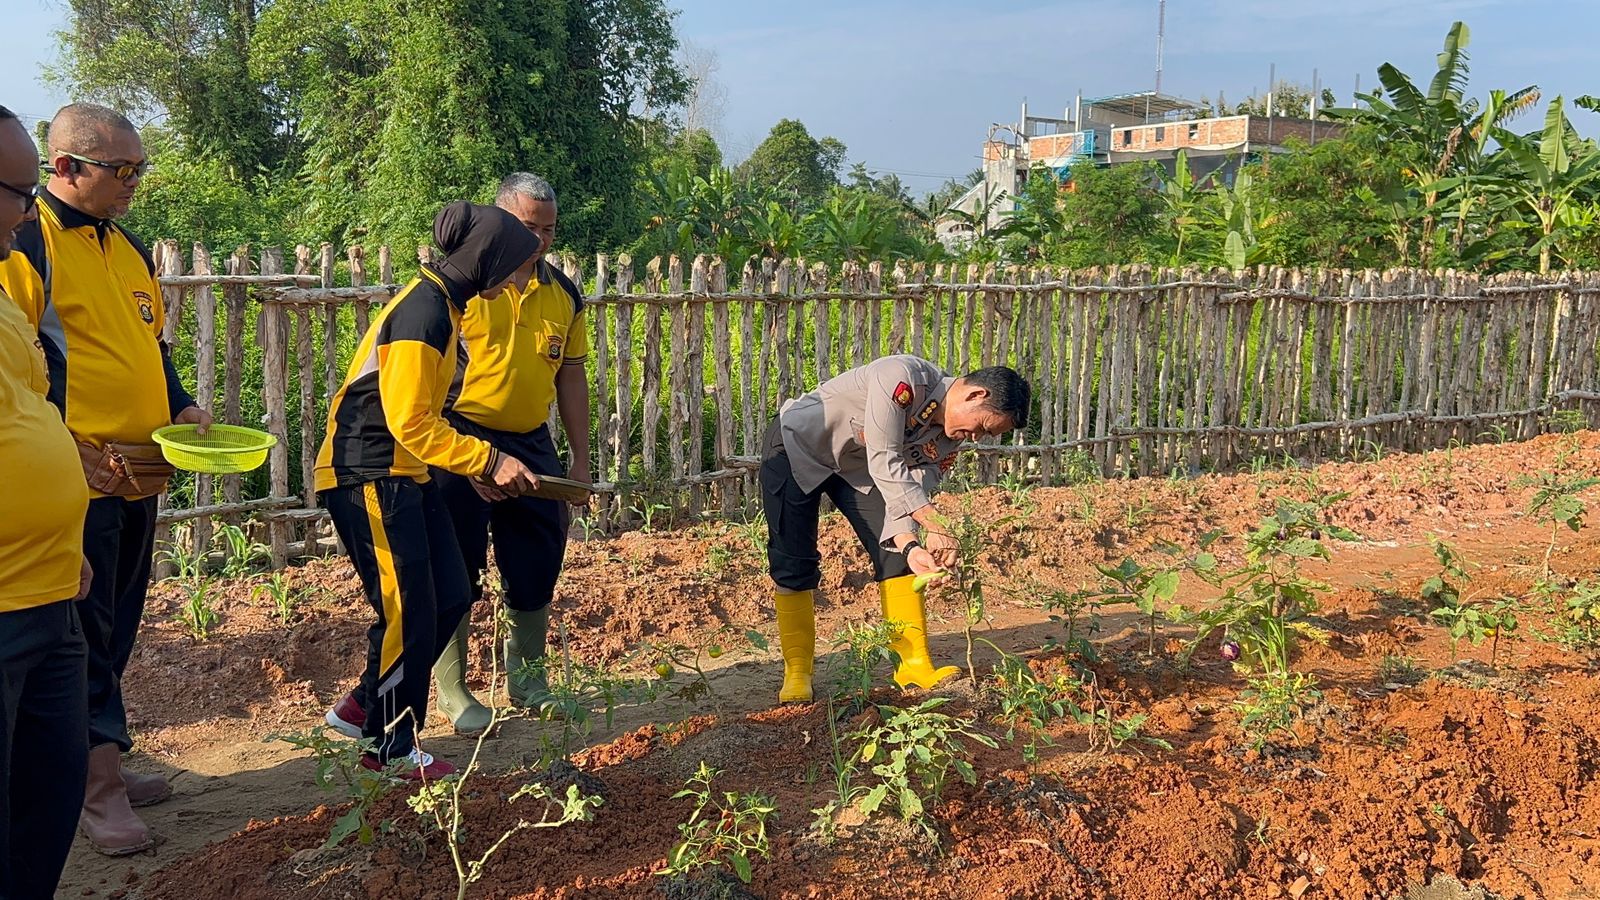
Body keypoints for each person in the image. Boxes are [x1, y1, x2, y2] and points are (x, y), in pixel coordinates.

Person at [0, 102, 209, 856]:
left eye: (137, 170)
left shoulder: (126, 245)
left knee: (116, 625)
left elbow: (149, 342)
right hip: (81, 476)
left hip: (139, 469)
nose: (132, 184)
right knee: (79, 635)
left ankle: (103, 760)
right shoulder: (28, 244)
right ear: (63, 168)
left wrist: (180, 402)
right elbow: (23, 370)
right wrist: (67, 445)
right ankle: (96, 792)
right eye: (121, 170)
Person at [315, 201, 541, 778]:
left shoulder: (443, 304)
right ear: (488, 261)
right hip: (367, 472)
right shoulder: (424, 312)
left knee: (451, 593)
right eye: (516, 267)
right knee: (407, 608)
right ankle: (389, 746)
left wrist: (471, 463)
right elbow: (409, 420)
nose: (520, 279)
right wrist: (487, 458)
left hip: (405, 473)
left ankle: (365, 704)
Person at [424, 173, 591, 734]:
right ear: (498, 223)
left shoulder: (564, 294)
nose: (540, 240)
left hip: (530, 440)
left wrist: (580, 458)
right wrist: (469, 459)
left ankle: (528, 680)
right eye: (527, 227)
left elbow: (571, 376)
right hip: (461, 434)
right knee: (456, 562)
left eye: (548, 229)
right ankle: (453, 690)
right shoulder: (466, 287)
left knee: (539, 554)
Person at [761, 356, 1030, 703]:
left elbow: (911, 495)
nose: (977, 438)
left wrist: (910, 546)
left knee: (897, 559)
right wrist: (934, 521)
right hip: (798, 446)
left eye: (985, 435)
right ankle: (798, 669)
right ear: (976, 394)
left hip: (854, 468)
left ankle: (913, 665)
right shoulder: (902, 378)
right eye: (983, 427)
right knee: (792, 560)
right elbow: (885, 458)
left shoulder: (949, 439)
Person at [0, 103, 94, 900]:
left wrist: (68, 542)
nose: (30, 211)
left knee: (46, 807)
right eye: (15, 191)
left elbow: (34, 412)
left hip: (51, 595)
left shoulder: (1, 298)